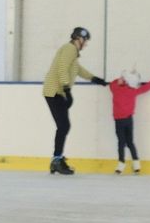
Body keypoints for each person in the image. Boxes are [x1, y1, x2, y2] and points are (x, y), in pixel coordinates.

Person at [42, 27, 107, 175]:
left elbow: (78, 70)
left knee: (63, 126)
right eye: (85, 41)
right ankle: (57, 160)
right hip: (54, 92)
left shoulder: (72, 53)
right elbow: (62, 69)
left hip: (57, 92)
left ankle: (56, 159)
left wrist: (95, 79)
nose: (86, 44)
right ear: (79, 39)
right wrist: (67, 90)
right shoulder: (69, 48)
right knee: (64, 126)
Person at [108, 69, 150, 175]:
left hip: (124, 120)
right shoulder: (123, 90)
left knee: (126, 142)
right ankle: (128, 164)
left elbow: (144, 88)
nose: (119, 79)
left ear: (126, 81)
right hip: (123, 120)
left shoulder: (122, 89)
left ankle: (131, 164)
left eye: (122, 78)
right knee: (125, 142)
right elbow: (144, 88)